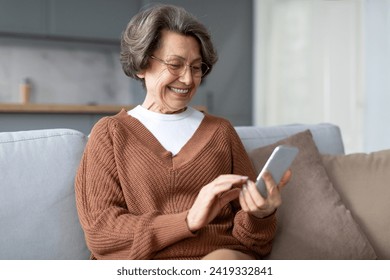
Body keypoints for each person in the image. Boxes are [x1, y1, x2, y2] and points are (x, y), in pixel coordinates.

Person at [75, 3, 291, 260]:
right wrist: (187, 220)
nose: (188, 79)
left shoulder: (220, 132)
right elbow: (102, 233)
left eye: (196, 67)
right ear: (141, 65)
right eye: (175, 65)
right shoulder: (111, 134)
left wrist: (260, 214)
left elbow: (253, 244)